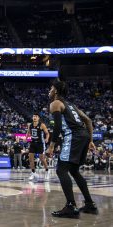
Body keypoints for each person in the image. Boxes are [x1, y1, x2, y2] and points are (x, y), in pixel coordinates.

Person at [46, 79, 98, 218]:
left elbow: (57, 127)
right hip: (84, 136)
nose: (49, 91)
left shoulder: (55, 103)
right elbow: (88, 120)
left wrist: (51, 146)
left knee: (61, 169)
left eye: (51, 88)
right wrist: (90, 140)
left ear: (56, 91)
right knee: (74, 170)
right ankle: (89, 204)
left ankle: (71, 206)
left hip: (73, 136)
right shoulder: (71, 105)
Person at [27, 113, 50, 181]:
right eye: (33, 116)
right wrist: (26, 137)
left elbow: (47, 133)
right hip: (33, 143)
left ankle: (47, 171)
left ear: (38, 118)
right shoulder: (30, 125)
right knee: (30, 159)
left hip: (40, 143)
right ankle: (33, 173)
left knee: (42, 159)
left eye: (36, 116)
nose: (34, 117)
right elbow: (28, 132)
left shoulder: (42, 125)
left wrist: (47, 139)